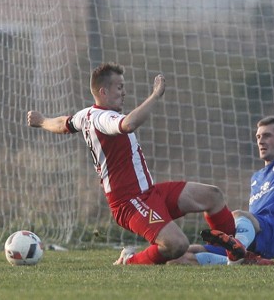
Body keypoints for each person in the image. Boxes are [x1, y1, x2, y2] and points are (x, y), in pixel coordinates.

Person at [27, 62, 238, 265]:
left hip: (149, 193)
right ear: (103, 92)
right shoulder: (104, 118)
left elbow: (63, 123)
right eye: (119, 87)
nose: (124, 92)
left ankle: (235, 255)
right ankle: (130, 261)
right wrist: (155, 95)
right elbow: (128, 124)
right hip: (130, 202)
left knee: (212, 196)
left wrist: (42, 121)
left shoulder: (86, 115)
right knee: (177, 244)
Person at [167, 82, 274, 266]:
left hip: (271, 231)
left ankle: (238, 251)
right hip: (253, 234)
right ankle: (244, 259)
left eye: (267, 135)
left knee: (239, 215)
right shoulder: (256, 177)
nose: (261, 141)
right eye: (258, 137)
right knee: (181, 255)